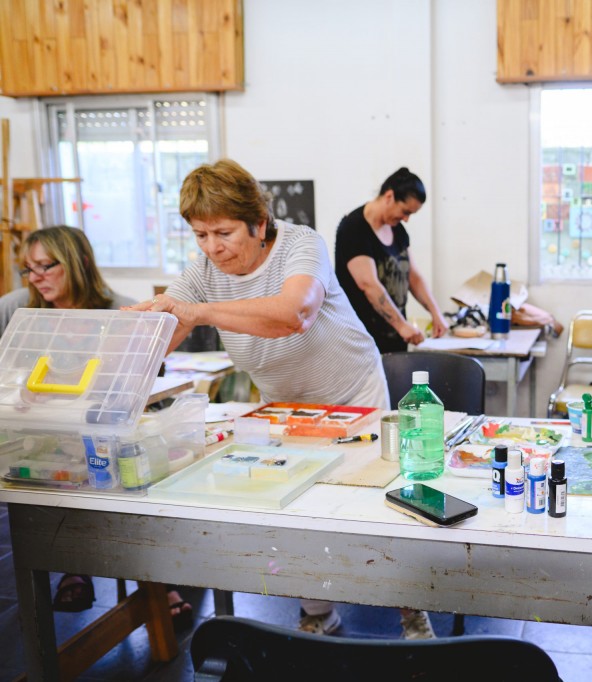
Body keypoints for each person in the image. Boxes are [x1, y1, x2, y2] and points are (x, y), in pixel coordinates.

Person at [127, 159, 435, 640]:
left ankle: (410, 610)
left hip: (353, 393)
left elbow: (296, 313)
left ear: (259, 222)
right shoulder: (204, 270)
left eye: (224, 233)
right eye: (201, 235)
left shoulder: (300, 243)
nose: (213, 248)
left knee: (377, 507)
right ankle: (318, 612)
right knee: (293, 508)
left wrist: (197, 312)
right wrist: (135, 336)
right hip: (285, 405)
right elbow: (168, 324)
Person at [0, 226, 194, 628]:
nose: (35, 277)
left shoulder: (122, 311)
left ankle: (155, 580)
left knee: (128, 483)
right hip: (40, 440)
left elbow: (148, 376)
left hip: (107, 435)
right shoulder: (18, 307)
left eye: (45, 266)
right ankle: (77, 568)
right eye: (28, 269)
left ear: (79, 263)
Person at [335, 168, 448, 352]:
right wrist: (402, 325)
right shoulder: (353, 229)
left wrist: (436, 313)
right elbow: (368, 284)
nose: (406, 219)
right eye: (405, 212)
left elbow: (413, 276)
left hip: (394, 340)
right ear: (389, 196)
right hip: (362, 342)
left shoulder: (397, 230)